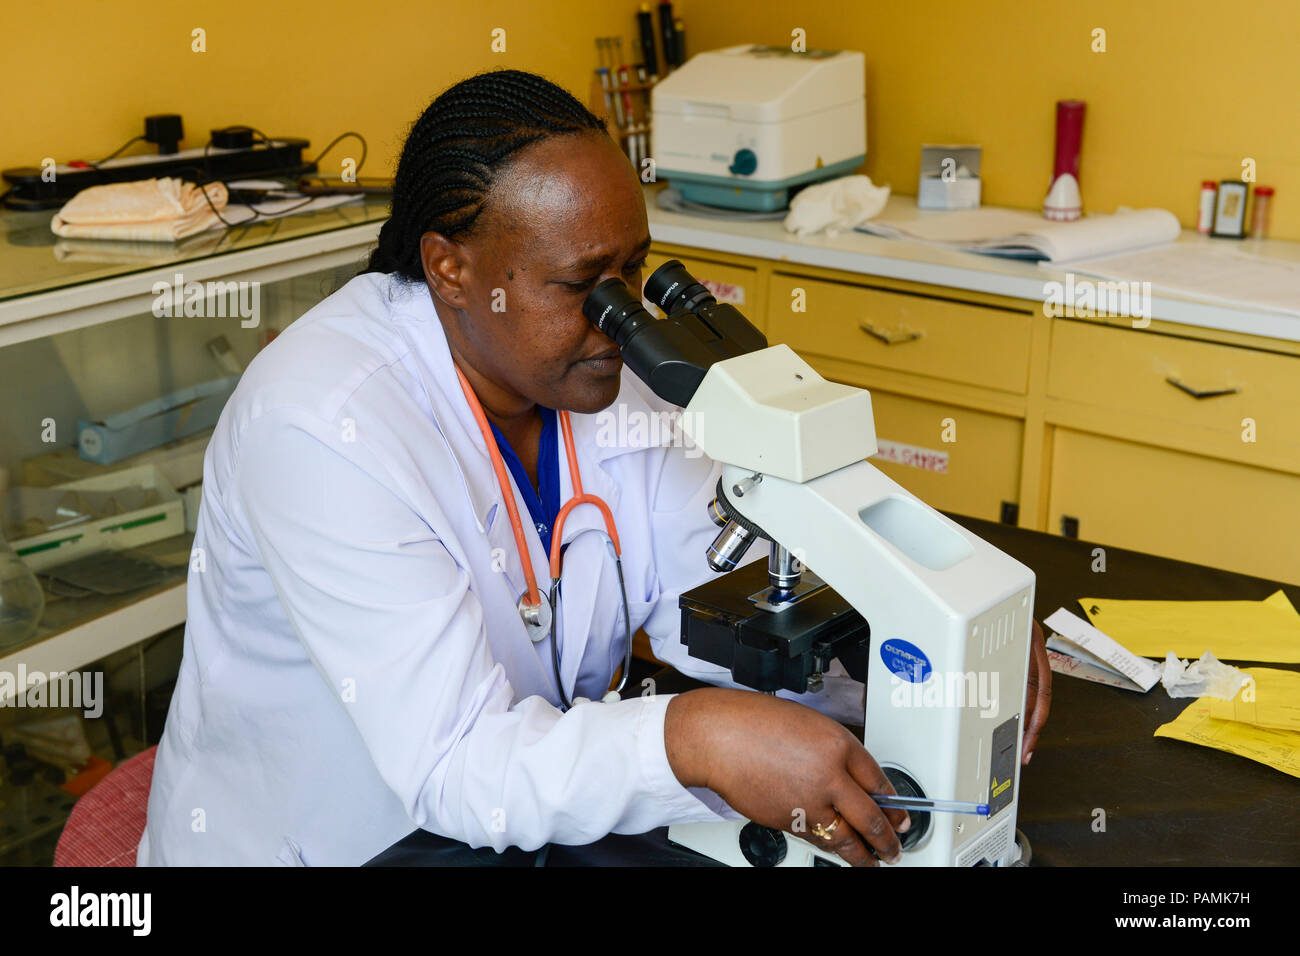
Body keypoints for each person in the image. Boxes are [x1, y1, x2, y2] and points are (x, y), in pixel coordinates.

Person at [138, 69, 1050, 867]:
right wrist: (692, 737)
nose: (619, 318)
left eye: (637, 272)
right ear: (452, 269)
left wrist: (926, 635)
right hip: (338, 843)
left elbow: (720, 594)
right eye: (583, 286)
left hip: (512, 833)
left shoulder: (596, 375)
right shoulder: (323, 426)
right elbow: (458, 764)